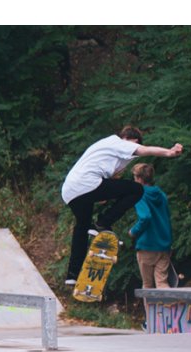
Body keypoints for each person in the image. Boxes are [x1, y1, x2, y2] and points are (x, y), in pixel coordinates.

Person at [61, 126, 183, 285]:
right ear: (132, 140)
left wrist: (104, 193)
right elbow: (145, 150)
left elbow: (111, 176)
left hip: (70, 191)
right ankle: (103, 222)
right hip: (88, 184)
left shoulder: (102, 146)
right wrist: (169, 152)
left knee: (82, 227)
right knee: (136, 190)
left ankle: (73, 273)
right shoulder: (121, 142)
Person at [129, 163, 174, 328]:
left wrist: (133, 231)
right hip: (164, 244)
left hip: (147, 246)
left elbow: (146, 217)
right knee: (162, 283)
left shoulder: (139, 194)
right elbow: (167, 216)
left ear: (139, 179)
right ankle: (171, 318)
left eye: (135, 177)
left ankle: (152, 322)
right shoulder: (161, 194)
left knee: (147, 285)